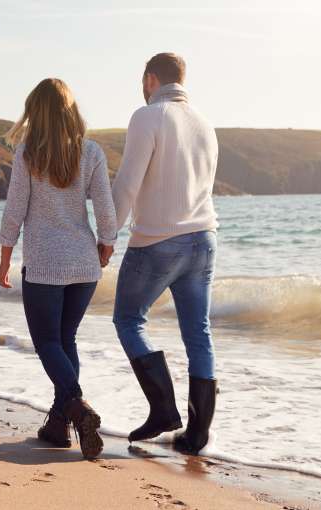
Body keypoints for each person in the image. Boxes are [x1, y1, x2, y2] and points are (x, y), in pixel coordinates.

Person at [0, 78, 117, 460]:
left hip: (45, 264)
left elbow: (15, 209)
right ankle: (58, 426)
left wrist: (4, 258)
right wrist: (107, 243)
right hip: (84, 263)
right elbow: (105, 206)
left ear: (36, 112)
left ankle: (77, 407)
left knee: (48, 343)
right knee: (66, 342)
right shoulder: (92, 152)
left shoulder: (28, 153)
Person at [111, 53, 219, 455]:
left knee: (127, 318)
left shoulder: (148, 116)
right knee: (198, 333)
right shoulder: (205, 124)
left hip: (158, 241)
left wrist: (107, 235)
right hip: (204, 239)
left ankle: (163, 410)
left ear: (150, 78)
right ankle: (196, 436)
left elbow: (126, 185)